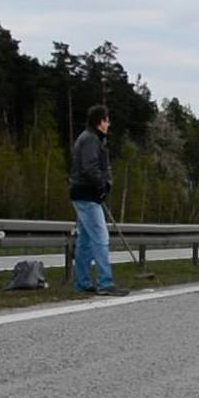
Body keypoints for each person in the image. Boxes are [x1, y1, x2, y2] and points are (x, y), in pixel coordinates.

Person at [69, 104, 128, 296]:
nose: (108, 124)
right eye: (106, 120)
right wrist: (101, 186)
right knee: (101, 238)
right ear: (99, 122)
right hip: (87, 194)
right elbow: (90, 167)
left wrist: (102, 186)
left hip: (84, 193)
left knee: (85, 241)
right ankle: (105, 282)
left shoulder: (90, 138)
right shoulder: (91, 139)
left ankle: (82, 283)